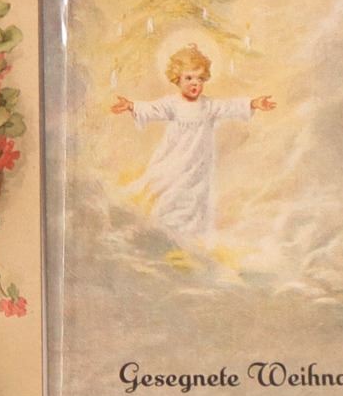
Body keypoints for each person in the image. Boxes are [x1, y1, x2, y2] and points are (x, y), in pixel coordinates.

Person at [111, 44, 276, 248]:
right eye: (189, 78)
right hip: (174, 162)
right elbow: (153, 109)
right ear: (177, 78)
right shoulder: (172, 104)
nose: (194, 83)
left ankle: (189, 245)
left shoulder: (208, 106)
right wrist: (131, 106)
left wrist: (253, 103)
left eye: (199, 78)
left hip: (198, 167)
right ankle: (163, 236)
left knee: (194, 203)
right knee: (169, 196)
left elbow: (230, 106)